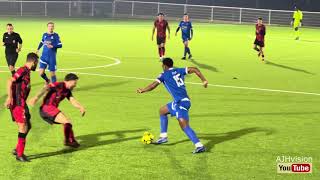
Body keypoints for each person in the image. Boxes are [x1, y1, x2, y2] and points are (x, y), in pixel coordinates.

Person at [137, 58, 208, 154]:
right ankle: (163, 136)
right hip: (180, 101)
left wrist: (143, 90)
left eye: (162, 65)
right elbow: (195, 69)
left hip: (181, 103)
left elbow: (153, 86)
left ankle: (199, 146)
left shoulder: (163, 75)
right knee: (162, 111)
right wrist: (204, 80)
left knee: (184, 126)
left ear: (165, 66)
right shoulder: (178, 70)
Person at [29, 73, 85, 148]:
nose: (75, 85)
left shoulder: (67, 91)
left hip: (51, 109)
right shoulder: (59, 85)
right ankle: (68, 141)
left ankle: (71, 140)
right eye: (75, 83)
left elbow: (72, 100)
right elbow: (46, 87)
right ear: (70, 81)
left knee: (67, 123)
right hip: (47, 108)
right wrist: (36, 97)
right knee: (67, 122)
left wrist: (80, 107)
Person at [4, 53, 39, 162]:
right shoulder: (23, 70)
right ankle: (20, 154)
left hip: (23, 103)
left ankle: (17, 149)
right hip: (18, 104)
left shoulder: (27, 72)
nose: (36, 66)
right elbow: (10, 81)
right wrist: (9, 98)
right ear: (33, 62)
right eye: (36, 63)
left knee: (28, 126)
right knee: (23, 127)